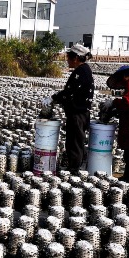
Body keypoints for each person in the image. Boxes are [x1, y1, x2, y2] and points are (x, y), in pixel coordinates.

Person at [51, 44, 94, 173]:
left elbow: (69, 92)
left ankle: (74, 170)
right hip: (80, 113)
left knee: (75, 142)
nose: (67, 60)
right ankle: (75, 165)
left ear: (76, 58)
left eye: (68, 57)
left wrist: (53, 98)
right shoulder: (84, 70)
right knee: (75, 141)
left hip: (78, 114)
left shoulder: (81, 72)